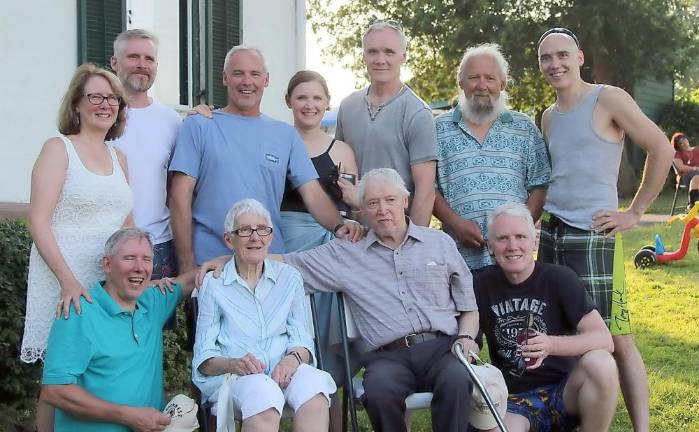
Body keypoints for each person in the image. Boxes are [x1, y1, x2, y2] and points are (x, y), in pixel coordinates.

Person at [536, 27, 674, 432]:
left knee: (616, 340)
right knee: (564, 338)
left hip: (595, 236)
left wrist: (635, 212)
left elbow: (661, 148)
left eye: (562, 54)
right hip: (552, 234)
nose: (554, 64)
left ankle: (642, 429)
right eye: (546, 58)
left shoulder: (607, 98)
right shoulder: (548, 116)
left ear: (579, 57)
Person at [281, 168, 479, 432]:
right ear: (363, 209)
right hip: (388, 357)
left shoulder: (439, 243)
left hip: (442, 348)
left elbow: (469, 308)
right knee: (377, 390)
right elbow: (286, 265)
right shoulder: (348, 252)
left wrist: (466, 339)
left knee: (457, 378)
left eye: (390, 200)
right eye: (372, 203)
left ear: (405, 201)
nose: (382, 209)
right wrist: (228, 260)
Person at [169, 46, 359, 273]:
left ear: (266, 80)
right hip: (210, 265)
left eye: (255, 74)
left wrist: (339, 226)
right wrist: (186, 263)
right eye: (238, 73)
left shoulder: (285, 135)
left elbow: (313, 194)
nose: (247, 81)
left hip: (267, 264)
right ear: (224, 78)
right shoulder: (199, 125)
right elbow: (179, 198)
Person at [22, 62, 134, 431]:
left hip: (107, 280)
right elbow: (39, 222)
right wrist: (68, 281)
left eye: (112, 98)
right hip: (63, 276)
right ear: (77, 104)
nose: (106, 104)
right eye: (96, 96)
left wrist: (139, 273)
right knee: (60, 378)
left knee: (99, 371)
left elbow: (126, 225)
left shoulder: (120, 159)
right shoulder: (59, 149)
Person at [193, 199, 336, 432]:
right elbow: (204, 359)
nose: (255, 237)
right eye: (245, 230)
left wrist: (292, 360)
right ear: (229, 239)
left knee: (314, 388)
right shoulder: (214, 285)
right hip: (238, 379)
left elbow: (302, 339)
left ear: (270, 237)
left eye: (262, 230)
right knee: (264, 394)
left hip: (285, 368)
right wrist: (233, 364)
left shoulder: (289, 278)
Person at [475, 202, 618, 432]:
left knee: (601, 362)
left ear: (535, 241)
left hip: (565, 391)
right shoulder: (480, 284)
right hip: (514, 398)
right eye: (502, 239)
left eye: (521, 236)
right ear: (490, 246)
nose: (512, 246)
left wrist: (551, 344)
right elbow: (467, 338)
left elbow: (604, 339)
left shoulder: (560, 278)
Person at [40, 228, 198, 431]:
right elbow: (54, 391)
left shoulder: (152, 302)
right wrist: (126, 415)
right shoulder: (79, 312)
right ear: (107, 264)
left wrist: (222, 261)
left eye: (146, 259)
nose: (139, 267)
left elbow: (192, 279)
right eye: (130, 258)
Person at [434, 43, 550, 272]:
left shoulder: (523, 128)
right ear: (461, 83)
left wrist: (516, 232)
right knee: (468, 309)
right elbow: (429, 187)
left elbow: (540, 183)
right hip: (459, 257)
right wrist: (455, 223)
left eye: (490, 78)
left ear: (503, 84)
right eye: (474, 77)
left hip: (513, 260)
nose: (482, 85)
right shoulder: (438, 129)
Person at [335, 20, 437, 226]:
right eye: (373, 52)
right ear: (364, 55)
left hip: (397, 236)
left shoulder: (417, 113)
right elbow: (341, 173)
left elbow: (425, 192)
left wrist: (413, 246)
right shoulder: (347, 107)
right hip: (354, 235)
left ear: (403, 57)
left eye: (389, 52)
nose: (380, 59)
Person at [110, 29, 182, 280]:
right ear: (114, 62)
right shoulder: (100, 114)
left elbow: (177, 188)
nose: (142, 65)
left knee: (158, 321)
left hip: (158, 246)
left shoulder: (172, 121)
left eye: (149, 59)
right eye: (133, 57)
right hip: (106, 243)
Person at [671, 132, 699, 209]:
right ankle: (692, 204)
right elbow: (681, 167)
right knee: (697, 177)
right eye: (680, 143)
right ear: (677, 145)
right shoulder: (678, 154)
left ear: (687, 139)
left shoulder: (697, 149)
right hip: (686, 175)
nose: (683, 143)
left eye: (683, 139)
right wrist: (695, 168)